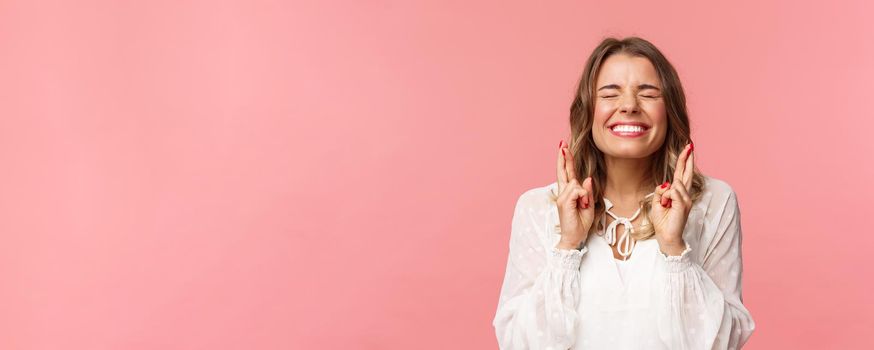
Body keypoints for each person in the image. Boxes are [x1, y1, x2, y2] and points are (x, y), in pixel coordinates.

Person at [491, 37, 755, 350]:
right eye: (610, 93)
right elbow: (518, 343)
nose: (629, 105)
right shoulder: (538, 208)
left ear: (669, 110)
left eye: (648, 93)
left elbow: (723, 344)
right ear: (588, 111)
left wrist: (673, 248)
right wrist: (568, 246)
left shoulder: (713, 202)